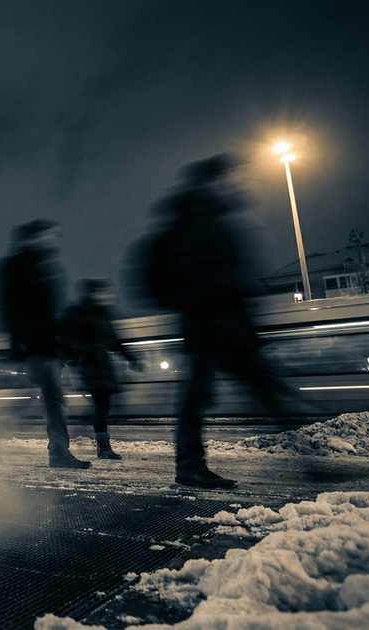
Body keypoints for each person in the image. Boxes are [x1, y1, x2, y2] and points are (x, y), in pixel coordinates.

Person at [152, 153, 291, 489]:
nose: (241, 181)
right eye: (234, 176)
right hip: (208, 329)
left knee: (267, 392)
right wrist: (203, 304)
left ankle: (310, 463)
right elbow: (164, 281)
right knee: (198, 401)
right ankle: (188, 468)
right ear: (215, 181)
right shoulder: (191, 223)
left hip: (231, 328)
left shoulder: (217, 219)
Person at [0, 219, 90, 469]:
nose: (53, 240)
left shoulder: (46, 267)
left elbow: (52, 312)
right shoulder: (14, 267)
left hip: (47, 348)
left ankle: (59, 453)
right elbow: (9, 309)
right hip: (30, 348)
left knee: (54, 401)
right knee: (29, 402)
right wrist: (19, 343)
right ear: (32, 237)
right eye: (48, 236)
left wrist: (60, 345)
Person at [60, 278, 142, 459]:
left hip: (100, 365)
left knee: (103, 405)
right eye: (101, 292)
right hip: (91, 365)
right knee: (102, 404)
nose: (107, 295)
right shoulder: (84, 313)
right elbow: (110, 340)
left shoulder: (93, 312)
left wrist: (131, 357)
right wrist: (78, 359)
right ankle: (102, 446)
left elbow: (112, 340)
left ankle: (100, 443)